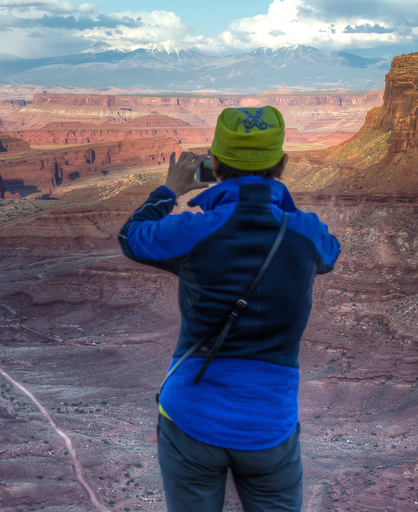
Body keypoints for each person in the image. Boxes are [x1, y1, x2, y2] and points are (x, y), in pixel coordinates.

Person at [117, 106, 340, 512]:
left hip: (191, 419)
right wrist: (275, 200)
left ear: (214, 164)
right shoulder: (305, 233)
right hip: (270, 425)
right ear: (283, 164)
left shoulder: (194, 229)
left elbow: (131, 237)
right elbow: (331, 251)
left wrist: (169, 191)